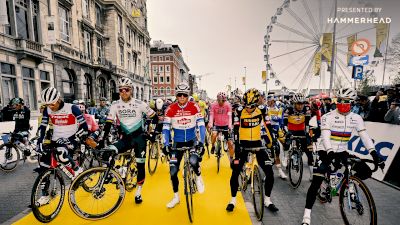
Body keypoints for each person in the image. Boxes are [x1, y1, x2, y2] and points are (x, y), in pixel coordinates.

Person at [301, 88, 385, 225]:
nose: (342, 104)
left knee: (366, 171)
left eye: (346, 101)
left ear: (352, 103)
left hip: (342, 151)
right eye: (340, 100)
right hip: (325, 150)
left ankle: (345, 182)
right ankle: (306, 216)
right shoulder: (327, 116)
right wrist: (330, 152)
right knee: (316, 181)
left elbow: (364, 136)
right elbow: (326, 137)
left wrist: (374, 153)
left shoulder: (356, 118)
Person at [99, 77, 156, 204]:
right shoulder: (115, 105)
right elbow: (108, 123)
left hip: (139, 139)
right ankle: (114, 173)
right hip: (125, 138)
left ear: (131, 90)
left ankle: (139, 192)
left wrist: (152, 133)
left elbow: (155, 117)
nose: (123, 92)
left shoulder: (140, 104)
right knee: (107, 151)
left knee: (140, 165)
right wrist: (102, 139)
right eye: (121, 90)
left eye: (126, 89)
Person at [226, 88, 278, 213]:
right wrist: (237, 145)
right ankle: (233, 200)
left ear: (256, 104)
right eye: (246, 106)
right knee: (235, 172)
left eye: (252, 106)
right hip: (242, 144)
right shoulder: (238, 111)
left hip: (258, 143)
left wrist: (272, 143)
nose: (248, 109)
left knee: (270, 172)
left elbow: (268, 127)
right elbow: (236, 129)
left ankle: (267, 200)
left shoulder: (262, 110)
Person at [35, 87, 89, 205]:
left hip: (71, 138)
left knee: (61, 154)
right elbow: (43, 126)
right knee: (43, 164)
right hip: (55, 139)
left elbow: (85, 128)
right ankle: (45, 196)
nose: (51, 107)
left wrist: (70, 139)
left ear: (58, 99)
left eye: (52, 104)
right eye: (47, 104)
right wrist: (39, 140)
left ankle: (77, 170)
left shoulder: (72, 108)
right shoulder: (48, 110)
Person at [162, 82, 206, 209]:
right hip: (177, 142)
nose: (182, 97)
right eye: (179, 95)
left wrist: (201, 142)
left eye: (184, 95)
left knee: (193, 161)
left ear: (188, 95)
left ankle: (198, 177)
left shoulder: (194, 106)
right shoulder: (170, 109)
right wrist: (166, 144)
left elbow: (201, 125)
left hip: (192, 140)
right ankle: (176, 197)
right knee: (173, 172)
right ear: (176, 95)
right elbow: (165, 128)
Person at [284, 93, 314, 181]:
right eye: (298, 104)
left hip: (302, 131)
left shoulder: (307, 109)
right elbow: (284, 124)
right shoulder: (288, 109)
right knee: (286, 144)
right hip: (291, 130)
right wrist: (287, 132)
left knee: (309, 151)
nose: (300, 106)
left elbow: (308, 124)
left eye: (302, 104)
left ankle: (312, 174)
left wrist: (309, 134)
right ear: (294, 103)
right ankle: (286, 157)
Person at [266, 95, 287, 179]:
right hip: (269, 130)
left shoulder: (279, 107)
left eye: (270, 101)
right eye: (268, 101)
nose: (268, 102)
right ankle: (278, 170)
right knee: (275, 148)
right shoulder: (266, 108)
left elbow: (278, 119)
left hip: (277, 128)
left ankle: (285, 158)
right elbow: (273, 118)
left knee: (286, 143)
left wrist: (271, 117)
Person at [208, 92, 234, 160]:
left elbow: (230, 117)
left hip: (226, 125)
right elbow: (211, 115)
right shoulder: (213, 105)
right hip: (217, 124)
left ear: (225, 100)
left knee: (230, 143)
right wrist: (210, 124)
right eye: (219, 100)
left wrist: (230, 126)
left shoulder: (228, 105)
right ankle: (213, 146)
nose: (221, 102)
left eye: (223, 101)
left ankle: (231, 158)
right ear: (217, 99)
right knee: (213, 134)